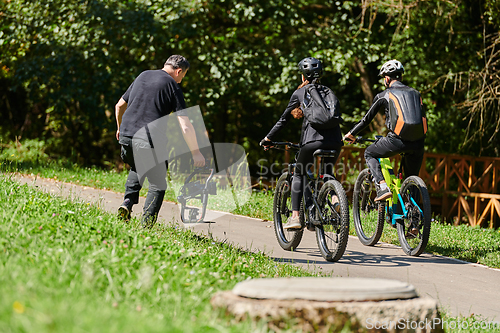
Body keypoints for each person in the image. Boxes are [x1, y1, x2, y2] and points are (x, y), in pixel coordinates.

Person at [115, 55, 205, 227]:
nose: (181, 80)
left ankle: (127, 203)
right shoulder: (172, 86)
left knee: (138, 166)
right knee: (157, 183)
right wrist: (196, 152)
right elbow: (185, 125)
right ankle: (146, 226)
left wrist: (120, 128)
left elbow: (119, 105)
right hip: (147, 139)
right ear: (179, 71)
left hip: (126, 137)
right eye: (183, 76)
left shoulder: (143, 75)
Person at [260, 57, 343, 230]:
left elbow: (283, 120)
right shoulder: (329, 91)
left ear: (303, 76)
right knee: (327, 172)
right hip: (335, 141)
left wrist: (268, 138)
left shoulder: (300, 92)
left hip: (312, 141)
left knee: (299, 172)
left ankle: (296, 216)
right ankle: (335, 199)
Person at [344, 59, 427, 201]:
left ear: (387, 79)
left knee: (369, 153)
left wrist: (351, 134)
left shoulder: (384, 95)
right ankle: (415, 216)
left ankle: (382, 187)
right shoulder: (416, 93)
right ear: (401, 76)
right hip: (418, 143)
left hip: (396, 141)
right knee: (412, 179)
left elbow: (366, 119)